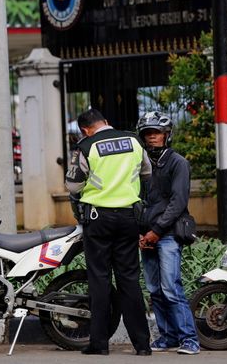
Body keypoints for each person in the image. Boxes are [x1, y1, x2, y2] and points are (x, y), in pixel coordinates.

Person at [64, 109, 152, 356]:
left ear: (85, 129)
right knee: (129, 280)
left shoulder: (86, 146)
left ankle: (99, 344)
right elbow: (147, 174)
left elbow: (73, 185)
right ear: (106, 121)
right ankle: (142, 345)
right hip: (128, 217)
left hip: (98, 219)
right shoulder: (134, 140)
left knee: (100, 280)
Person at [136, 111, 200, 355]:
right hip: (147, 235)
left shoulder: (178, 163)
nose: (151, 137)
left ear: (166, 135)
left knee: (171, 288)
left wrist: (157, 231)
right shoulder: (142, 166)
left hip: (169, 234)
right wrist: (141, 232)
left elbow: (178, 202)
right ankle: (167, 337)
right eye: (147, 133)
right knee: (154, 290)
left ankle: (189, 339)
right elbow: (138, 200)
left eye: (156, 133)